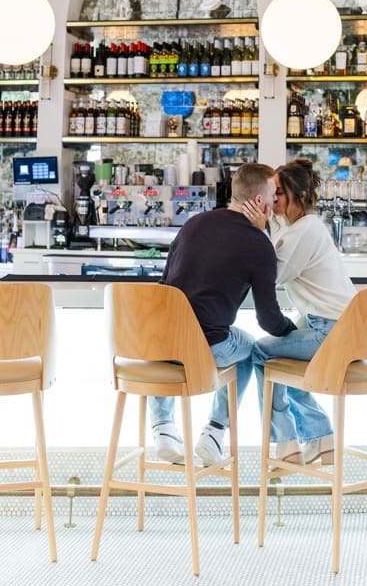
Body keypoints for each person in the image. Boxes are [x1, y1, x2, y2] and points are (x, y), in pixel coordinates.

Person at [149, 163, 296, 466]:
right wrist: (292, 332)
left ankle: (163, 428)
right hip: (206, 348)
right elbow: (267, 319)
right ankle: (214, 433)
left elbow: (163, 289)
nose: (274, 203)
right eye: (272, 194)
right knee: (251, 350)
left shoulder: (193, 223)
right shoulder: (259, 245)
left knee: (167, 331)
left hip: (156, 342)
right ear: (258, 200)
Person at [230, 158, 355, 464]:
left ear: (298, 196)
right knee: (285, 360)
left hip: (332, 332)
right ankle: (320, 437)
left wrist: (256, 231)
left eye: (279, 193)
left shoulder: (303, 231)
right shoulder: (302, 229)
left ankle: (286, 445)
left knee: (261, 352)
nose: (273, 199)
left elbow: (270, 274)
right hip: (345, 329)